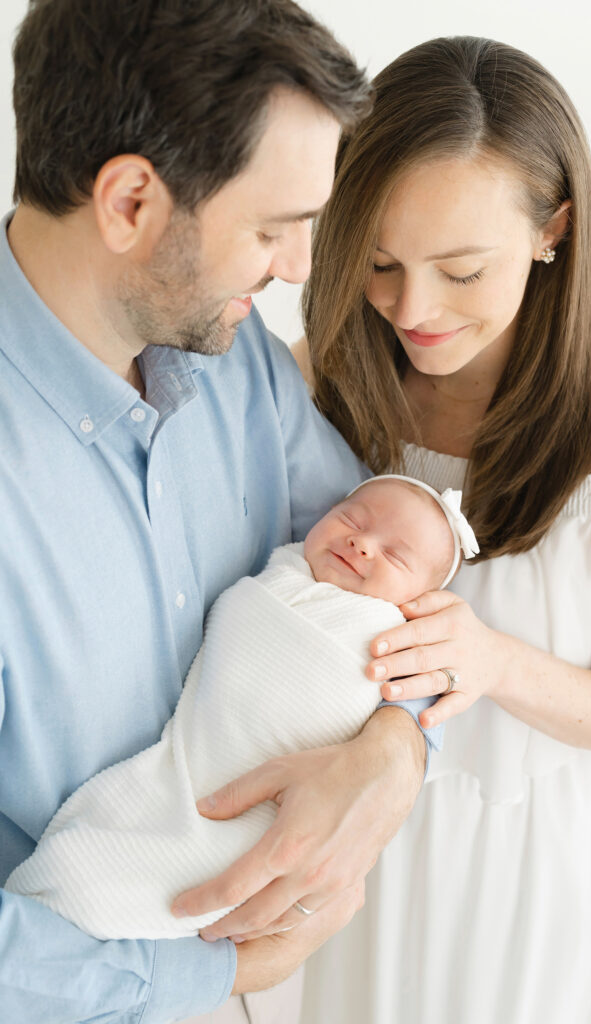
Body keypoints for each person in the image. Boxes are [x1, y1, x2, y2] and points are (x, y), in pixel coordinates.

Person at [0, 4, 440, 1022]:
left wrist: (393, 751)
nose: (296, 264)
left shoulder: (233, 363)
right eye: (270, 226)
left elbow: (397, 580)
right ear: (129, 202)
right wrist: (220, 974)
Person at [293, 35, 591, 1024]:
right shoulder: (328, 370)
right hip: (357, 850)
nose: (410, 309)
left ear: (552, 230)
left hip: (530, 870)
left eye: (461, 270)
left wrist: (492, 662)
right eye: (378, 260)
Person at [7, 476, 478, 942]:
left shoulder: (391, 636)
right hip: (194, 754)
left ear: (422, 603)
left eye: (394, 555)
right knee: (102, 840)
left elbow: (427, 685)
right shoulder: (286, 570)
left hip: (272, 807)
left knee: (152, 872)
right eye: (350, 519)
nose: (362, 544)